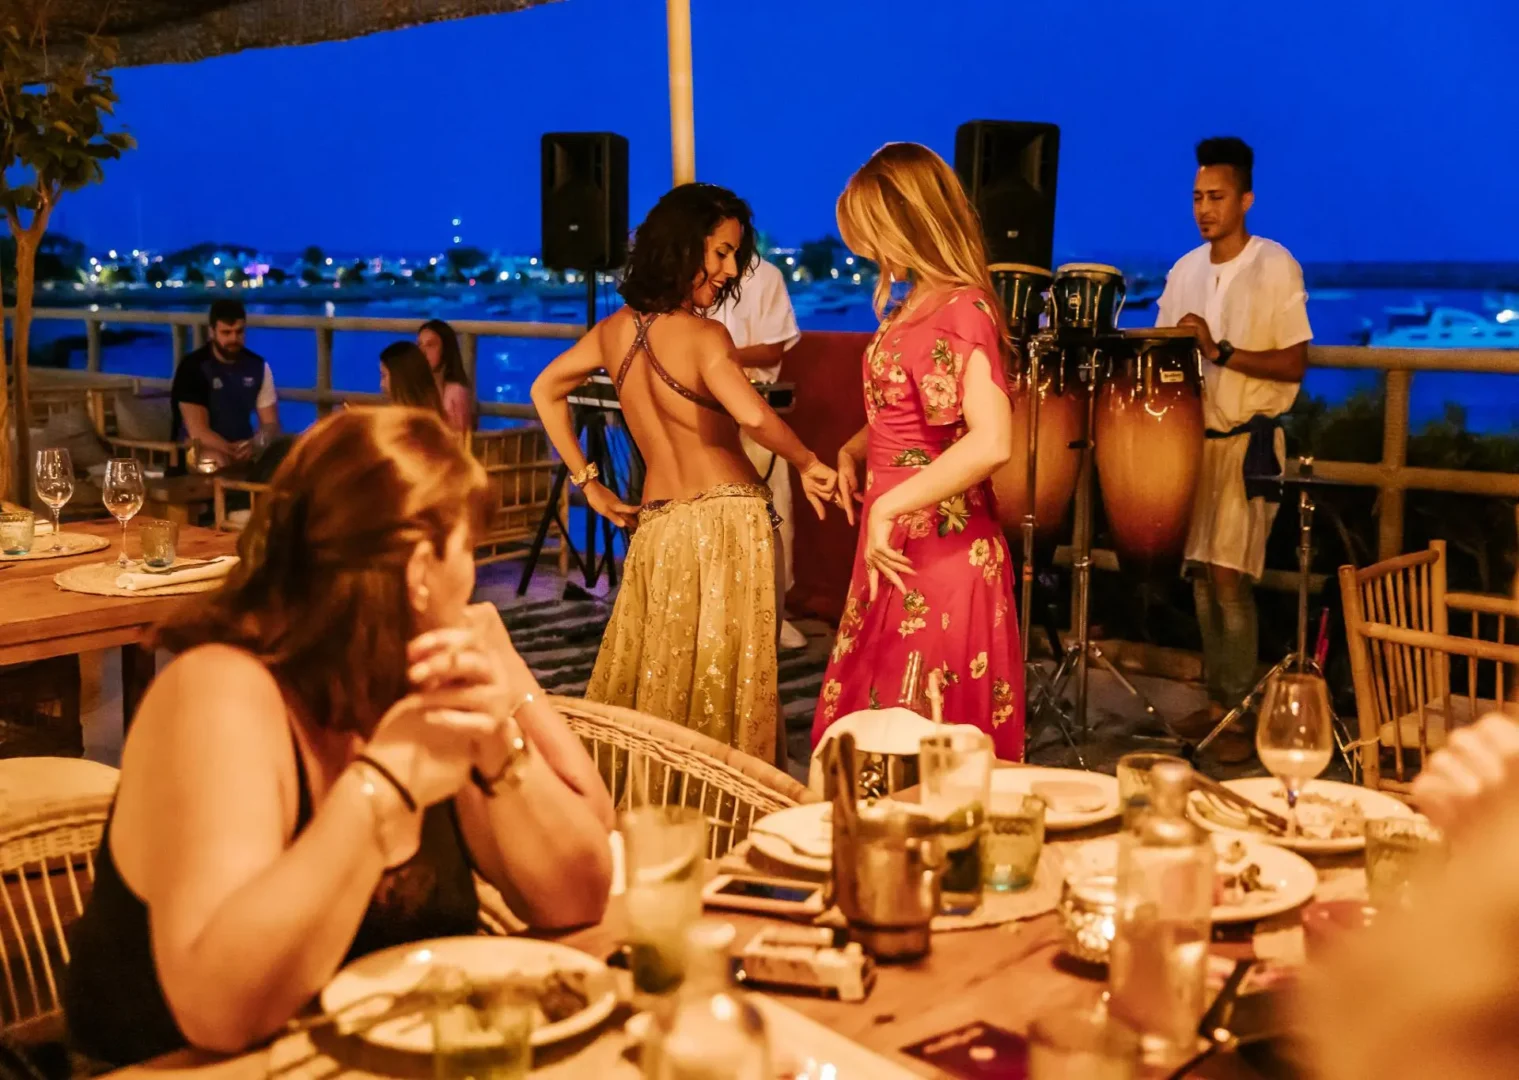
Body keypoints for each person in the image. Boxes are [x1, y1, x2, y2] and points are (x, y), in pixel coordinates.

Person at [63, 407, 614, 1066]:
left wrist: (499, 748)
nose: (474, 585)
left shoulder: (418, 685)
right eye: (468, 549)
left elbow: (579, 899)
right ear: (420, 571)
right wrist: (380, 787)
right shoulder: (223, 693)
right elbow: (218, 1012)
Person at [530, 183, 837, 770]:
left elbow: (544, 390)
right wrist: (808, 462)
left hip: (659, 528)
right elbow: (753, 415)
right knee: (731, 683)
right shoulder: (705, 336)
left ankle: (662, 795)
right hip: (729, 523)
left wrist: (589, 483)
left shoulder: (611, 332)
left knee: (661, 679)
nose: (730, 271)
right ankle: (732, 800)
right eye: (721, 252)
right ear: (681, 246)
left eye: (734, 256)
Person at [810, 143, 1024, 763]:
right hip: (896, 535)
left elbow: (992, 439)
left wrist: (887, 505)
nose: (870, 253)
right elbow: (905, 415)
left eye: (874, 234)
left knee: (920, 729)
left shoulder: (965, 308)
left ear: (910, 221)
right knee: (878, 719)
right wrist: (854, 450)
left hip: (940, 545)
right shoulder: (913, 305)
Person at [1157, 136, 1313, 763]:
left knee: (1229, 579)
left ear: (1246, 199)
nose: (1204, 208)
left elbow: (1294, 362)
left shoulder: (1275, 265)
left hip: (1250, 442)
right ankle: (1219, 702)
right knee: (1200, 575)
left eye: (1216, 197)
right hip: (1195, 442)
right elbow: (1163, 353)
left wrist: (1217, 349)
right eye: (1197, 197)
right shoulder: (1183, 271)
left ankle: (1240, 713)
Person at [708, 252, 809, 651]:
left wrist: (713, 355)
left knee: (771, 513)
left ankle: (772, 615)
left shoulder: (766, 275)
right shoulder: (692, 277)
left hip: (755, 406)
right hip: (704, 410)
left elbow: (771, 352)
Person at [169, 299, 279, 460]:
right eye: (226, 333)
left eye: (239, 332)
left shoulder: (258, 366)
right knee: (216, 460)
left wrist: (258, 443)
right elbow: (198, 431)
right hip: (196, 452)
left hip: (244, 449)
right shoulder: (193, 367)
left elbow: (270, 424)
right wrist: (233, 452)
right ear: (212, 332)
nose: (234, 339)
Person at [417, 318, 475, 434]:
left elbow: (459, 439)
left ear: (446, 350)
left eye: (430, 345)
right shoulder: (418, 387)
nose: (422, 352)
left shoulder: (456, 392)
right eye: (419, 345)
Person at [380, 341, 446, 417]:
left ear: (401, 378)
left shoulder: (402, 419)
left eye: (384, 375)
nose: (381, 384)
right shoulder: (433, 415)